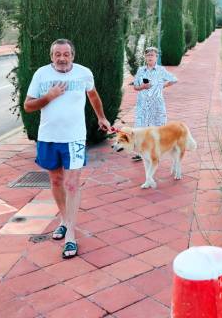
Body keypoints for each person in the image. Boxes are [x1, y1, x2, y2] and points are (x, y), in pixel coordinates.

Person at [23, 39, 111, 258]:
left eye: (66, 54)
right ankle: (64, 219)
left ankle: (70, 234)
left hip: (75, 138)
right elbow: (28, 105)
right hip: (48, 137)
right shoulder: (41, 75)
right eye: (57, 54)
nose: (62, 58)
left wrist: (101, 116)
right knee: (55, 181)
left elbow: (93, 95)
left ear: (73, 55)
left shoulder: (83, 73)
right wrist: (49, 96)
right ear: (51, 56)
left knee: (72, 185)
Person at [131, 47, 178, 160]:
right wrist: (142, 86)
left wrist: (163, 85)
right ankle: (140, 152)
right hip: (142, 105)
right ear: (145, 57)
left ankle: (156, 151)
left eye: (152, 55)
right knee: (140, 127)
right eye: (148, 55)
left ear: (156, 57)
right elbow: (135, 87)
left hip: (157, 104)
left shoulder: (161, 70)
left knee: (157, 127)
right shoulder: (141, 70)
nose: (150, 57)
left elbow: (174, 79)